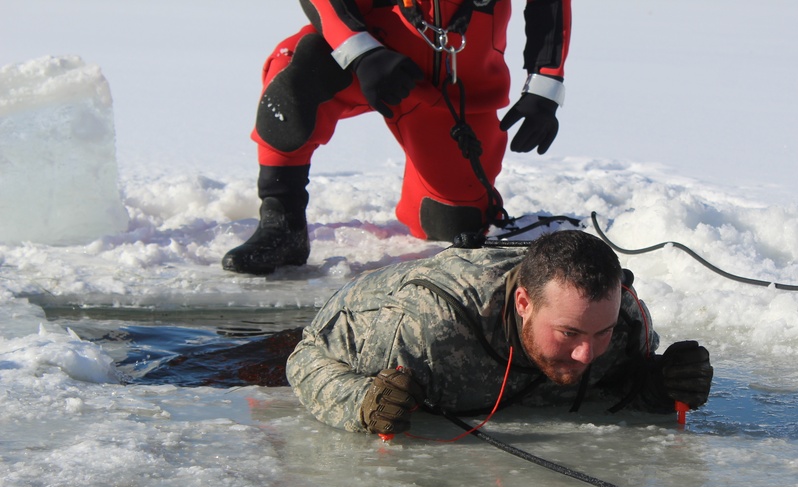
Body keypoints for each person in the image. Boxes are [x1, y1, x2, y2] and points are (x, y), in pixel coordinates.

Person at [223, 0, 573, 275]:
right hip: (369, 61)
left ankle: (437, 194)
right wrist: (362, 52)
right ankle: (281, 220)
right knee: (296, 76)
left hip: (455, 91)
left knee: (451, 225)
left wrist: (544, 84)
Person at [287, 230, 714, 434]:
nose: (587, 354)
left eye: (598, 333)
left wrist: (661, 384)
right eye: (568, 333)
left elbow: (611, 386)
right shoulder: (426, 329)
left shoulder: (624, 322)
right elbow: (304, 357)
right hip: (357, 316)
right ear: (524, 305)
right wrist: (363, 402)